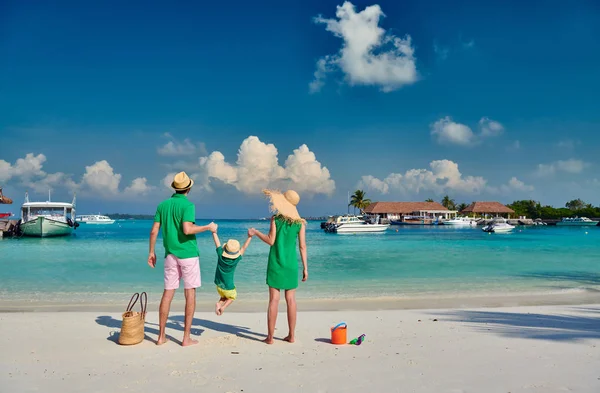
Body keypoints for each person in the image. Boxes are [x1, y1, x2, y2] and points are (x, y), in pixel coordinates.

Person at [148, 171, 216, 347]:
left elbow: (154, 230)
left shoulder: (163, 205)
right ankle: (186, 338)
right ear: (189, 188)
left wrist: (151, 252)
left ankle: (161, 336)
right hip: (188, 254)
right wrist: (208, 227)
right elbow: (187, 229)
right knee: (190, 294)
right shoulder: (188, 206)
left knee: (168, 293)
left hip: (170, 254)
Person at [249, 189, 307, 344]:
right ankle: (292, 336)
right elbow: (302, 247)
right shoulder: (300, 223)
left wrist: (256, 233)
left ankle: (269, 338)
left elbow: (270, 240)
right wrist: (305, 268)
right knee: (291, 300)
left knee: (274, 300)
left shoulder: (275, 219)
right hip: (291, 265)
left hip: (275, 263)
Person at [210, 224, 253, 316]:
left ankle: (219, 304)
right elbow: (244, 247)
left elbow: (216, 242)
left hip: (218, 286)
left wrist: (214, 232)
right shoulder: (236, 259)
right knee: (232, 296)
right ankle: (223, 307)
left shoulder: (221, 254)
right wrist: (249, 237)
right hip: (228, 287)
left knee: (224, 296)